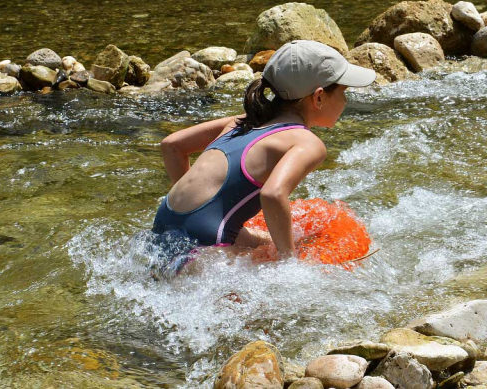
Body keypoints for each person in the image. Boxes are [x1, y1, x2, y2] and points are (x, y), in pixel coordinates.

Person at [152, 39, 375, 267]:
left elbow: (172, 145)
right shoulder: (308, 143)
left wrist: (197, 212)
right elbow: (272, 194)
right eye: (343, 92)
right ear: (318, 97)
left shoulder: (240, 123)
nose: (346, 101)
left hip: (162, 232)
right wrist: (289, 263)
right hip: (207, 246)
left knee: (259, 241)